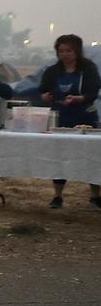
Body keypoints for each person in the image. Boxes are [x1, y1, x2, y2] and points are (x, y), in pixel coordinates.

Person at [39, 34, 100, 209]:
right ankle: (57, 196)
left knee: (91, 156)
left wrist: (79, 98)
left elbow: (93, 92)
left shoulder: (88, 69)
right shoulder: (52, 71)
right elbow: (43, 92)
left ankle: (95, 196)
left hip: (85, 117)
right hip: (62, 117)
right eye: (61, 51)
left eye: (69, 51)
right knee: (60, 155)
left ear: (77, 51)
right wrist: (46, 97)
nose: (65, 54)